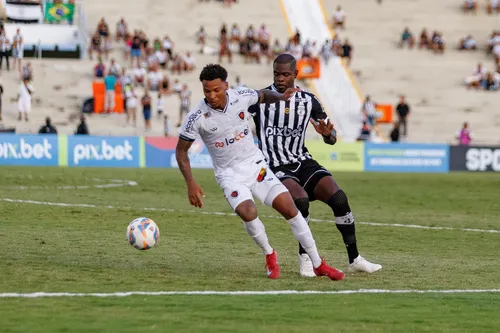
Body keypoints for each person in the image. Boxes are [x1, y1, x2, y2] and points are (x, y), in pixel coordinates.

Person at [176, 64, 344, 280]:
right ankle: (269, 254)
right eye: (207, 91)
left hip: (256, 165)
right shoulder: (197, 117)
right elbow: (181, 151)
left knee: (290, 209)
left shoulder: (242, 96)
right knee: (248, 211)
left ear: (226, 86)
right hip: (230, 175)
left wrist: (282, 98)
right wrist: (190, 182)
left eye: (216, 90)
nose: (212, 96)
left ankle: (318, 264)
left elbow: (264, 95)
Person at [248, 54, 382, 277]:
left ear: (295, 75)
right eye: (276, 74)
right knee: (300, 200)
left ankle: (355, 258)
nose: (280, 79)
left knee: (339, 198)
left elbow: (331, 137)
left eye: (285, 74)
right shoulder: (260, 99)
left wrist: (328, 135)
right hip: (276, 165)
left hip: (302, 161)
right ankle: (307, 259)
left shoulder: (308, 100)